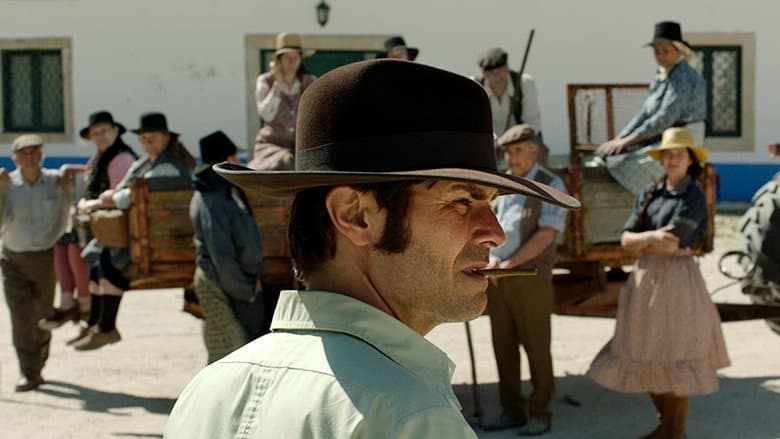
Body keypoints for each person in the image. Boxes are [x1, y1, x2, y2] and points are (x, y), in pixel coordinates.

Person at [165, 59, 579, 438]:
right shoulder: (410, 418)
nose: (495, 234)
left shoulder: (207, 392)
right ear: (357, 215)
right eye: (460, 201)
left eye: (490, 204)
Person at [587, 128, 730, 439]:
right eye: (667, 154)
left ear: (690, 160)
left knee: (676, 354)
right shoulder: (649, 193)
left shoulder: (694, 195)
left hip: (678, 280)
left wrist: (643, 241)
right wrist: (651, 236)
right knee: (646, 351)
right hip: (646, 281)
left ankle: (674, 432)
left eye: (679, 154)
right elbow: (626, 240)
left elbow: (673, 242)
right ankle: (666, 428)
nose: (672, 159)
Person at [72, 112, 195, 351]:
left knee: (108, 260)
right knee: (97, 260)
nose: (148, 142)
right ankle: (96, 324)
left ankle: (106, 327)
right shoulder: (145, 163)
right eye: (144, 138)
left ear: (166, 137)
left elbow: (131, 196)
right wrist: (110, 198)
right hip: (141, 232)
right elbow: (121, 190)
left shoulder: (167, 167)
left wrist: (107, 199)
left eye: (153, 137)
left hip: (160, 239)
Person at [482, 124, 568, 435]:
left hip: (530, 277)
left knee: (536, 347)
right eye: (507, 152)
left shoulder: (550, 183)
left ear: (533, 150)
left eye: (517, 151)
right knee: (503, 346)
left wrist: (509, 264)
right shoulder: (503, 184)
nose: (511, 157)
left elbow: (546, 234)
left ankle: (541, 412)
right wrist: (491, 262)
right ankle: (511, 410)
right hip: (499, 277)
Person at [40, 111, 137, 335]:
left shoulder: (121, 158)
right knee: (62, 241)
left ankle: (84, 303)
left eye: (104, 131)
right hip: (98, 219)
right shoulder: (101, 157)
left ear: (115, 131)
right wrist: (70, 170)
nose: (100, 136)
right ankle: (67, 301)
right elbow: (88, 174)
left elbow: (118, 197)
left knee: (76, 246)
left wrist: (90, 204)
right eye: (96, 133)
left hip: (115, 223)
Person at [595, 21, 706, 195]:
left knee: (637, 165)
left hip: (684, 138)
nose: (661, 56)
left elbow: (664, 118)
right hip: (660, 135)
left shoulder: (683, 76)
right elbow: (645, 113)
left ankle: (654, 198)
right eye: (657, 52)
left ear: (679, 51)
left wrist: (626, 141)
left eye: (666, 51)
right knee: (610, 156)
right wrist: (619, 140)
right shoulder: (661, 75)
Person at [0, 134, 74, 391]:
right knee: (21, 317)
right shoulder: (7, 183)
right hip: (12, 258)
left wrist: (69, 189)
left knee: (43, 316)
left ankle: (39, 362)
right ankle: (28, 371)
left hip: (45, 258)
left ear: (42, 155)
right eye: (25, 153)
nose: (30, 157)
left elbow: (73, 209)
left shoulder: (56, 181)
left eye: (35, 152)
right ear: (15, 158)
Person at [190, 130, 266, 363]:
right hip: (222, 284)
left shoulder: (224, 192)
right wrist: (246, 291)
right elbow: (221, 255)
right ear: (226, 160)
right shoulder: (212, 198)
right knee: (232, 354)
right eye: (234, 158)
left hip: (234, 281)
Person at [248, 32, 317, 171]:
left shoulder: (310, 82)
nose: (292, 62)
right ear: (278, 60)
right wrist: (277, 84)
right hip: (271, 146)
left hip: (300, 145)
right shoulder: (265, 81)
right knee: (288, 161)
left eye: (295, 57)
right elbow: (267, 115)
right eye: (287, 57)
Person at [473, 48, 542, 139]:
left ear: (507, 67)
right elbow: (473, 125)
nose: (497, 76)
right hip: (488, 143)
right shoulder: (474, 87)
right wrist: (495, 142)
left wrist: (511, 140)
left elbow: (533, 124)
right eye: (490, 71)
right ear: (483, 73)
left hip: (521, 141)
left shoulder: (524, 83)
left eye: (500, 69)